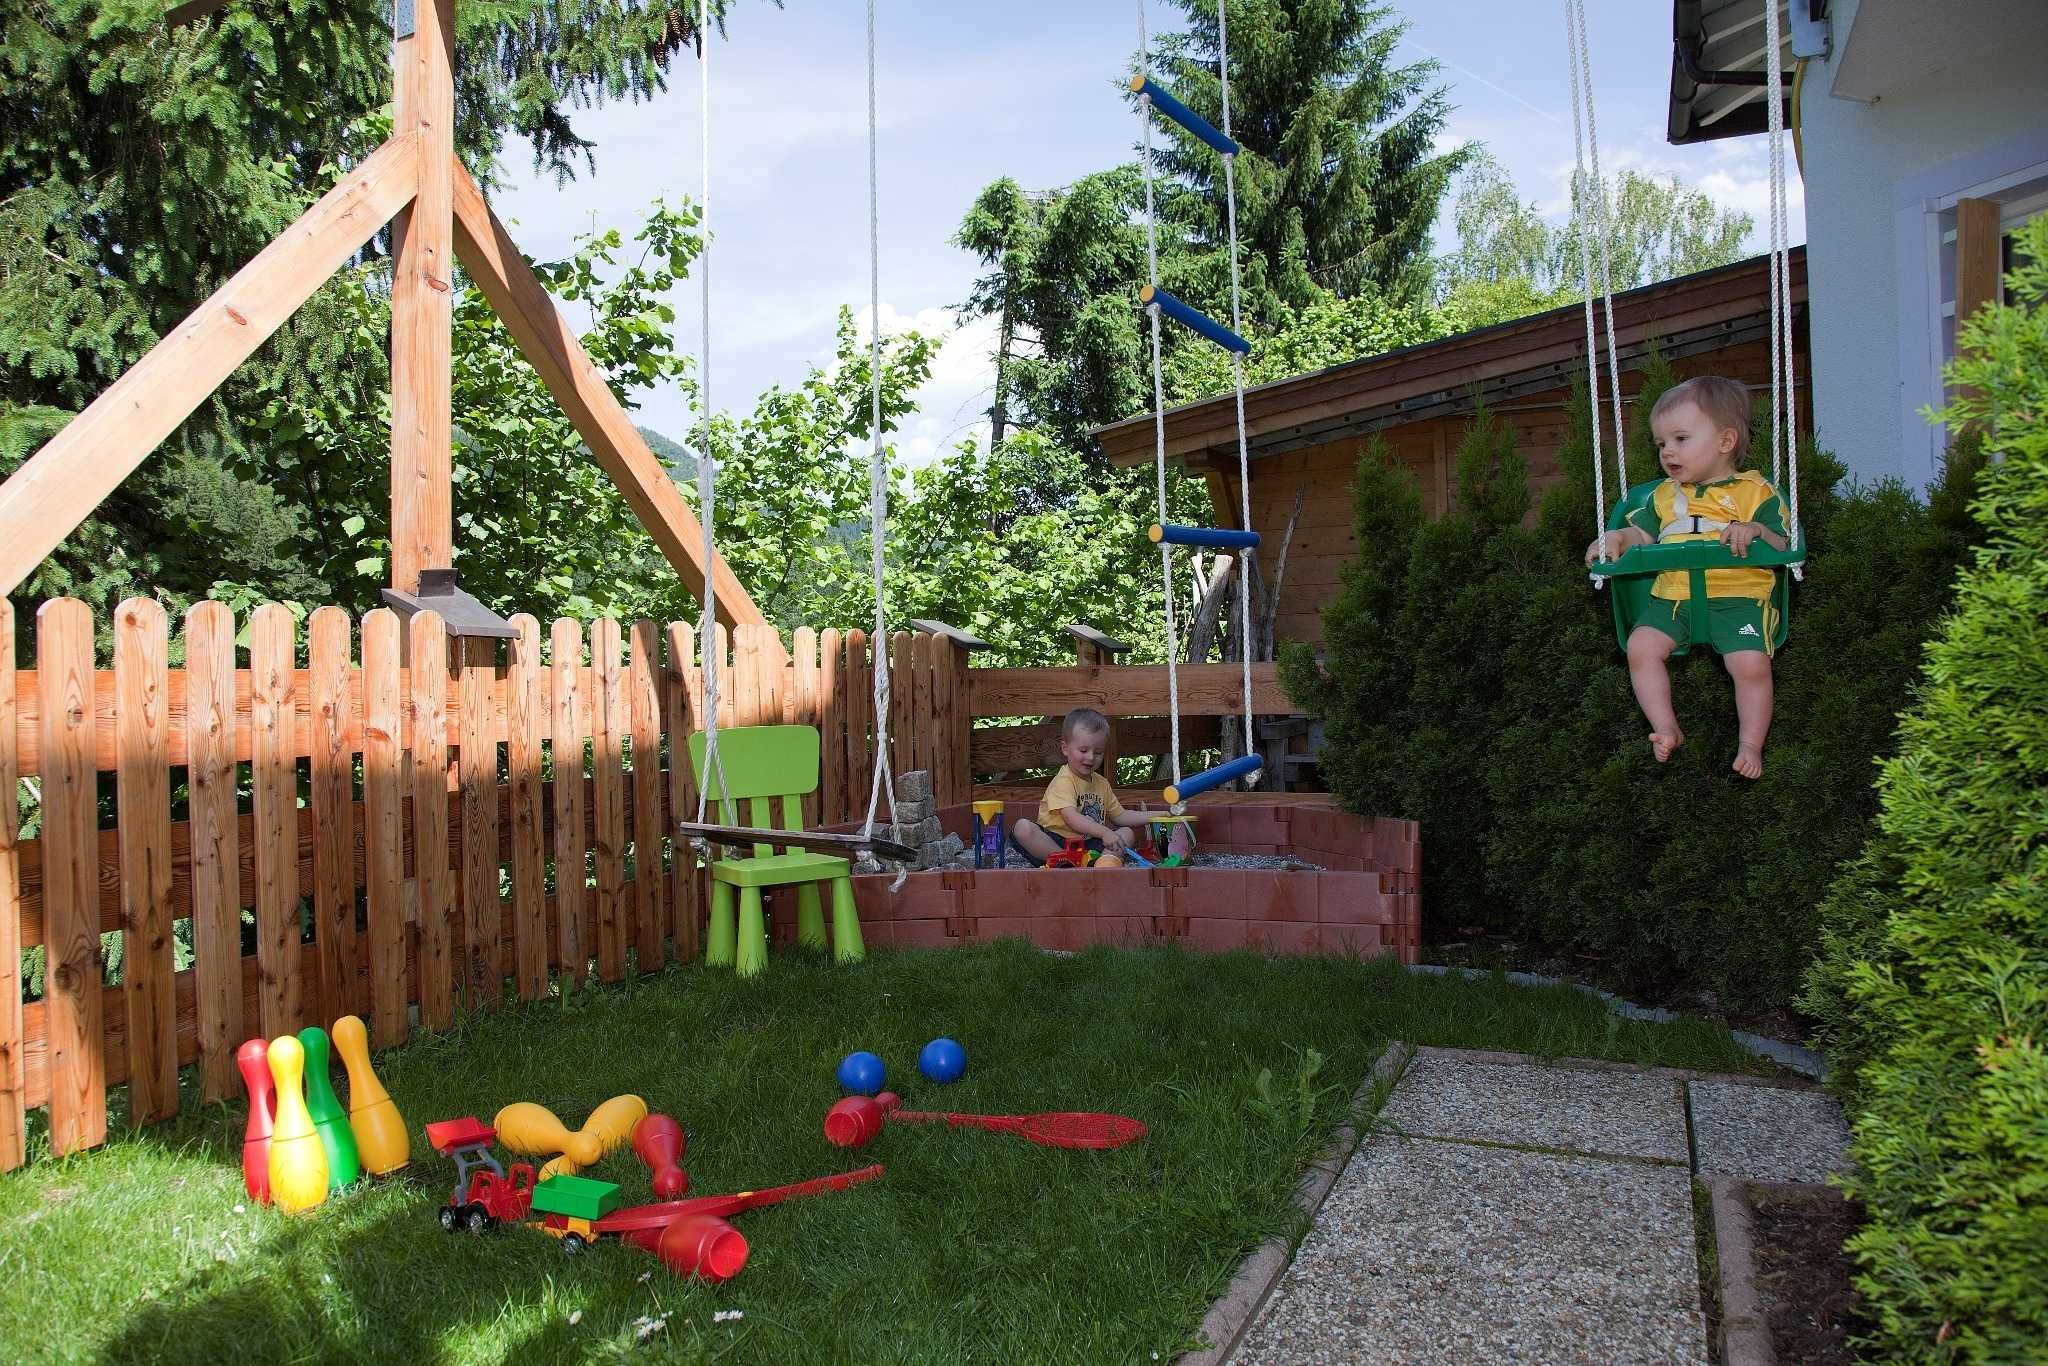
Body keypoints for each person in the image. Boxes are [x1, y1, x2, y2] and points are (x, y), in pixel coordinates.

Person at [1584, 376, 1789, 779]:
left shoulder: (1756, 492)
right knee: (1640, 647)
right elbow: (1640, 534)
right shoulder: (1663, 496)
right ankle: (1665, 727)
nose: (1668, 452)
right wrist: (1615, 539)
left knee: (1750, 664)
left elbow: (1784, 543)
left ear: (1725, 441)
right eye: (1661, 443)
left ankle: (1751, 743)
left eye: (1680, 439)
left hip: (1739, 599)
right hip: (1672, 599)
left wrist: (1755, 531)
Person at [1009, 708, 1155, 866]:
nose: (1091, 757)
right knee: (1022, 828)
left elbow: (1121, 816)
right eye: (1083, 750)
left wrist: (1158, 815)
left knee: (1127, 833)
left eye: (1098, 752)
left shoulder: (1102, 783)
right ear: (1065, 748)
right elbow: (1071, 818)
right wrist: (1105, 832)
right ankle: (1067, 863)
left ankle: (1102, 864)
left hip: (1089, 845)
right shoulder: (1064, 780)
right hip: (1058, 843)